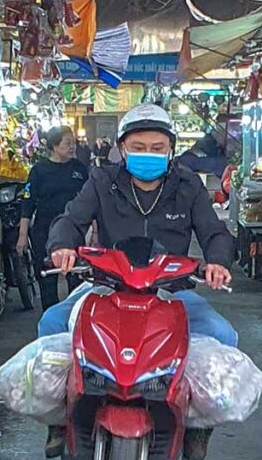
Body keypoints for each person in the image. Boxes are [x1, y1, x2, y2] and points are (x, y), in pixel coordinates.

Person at [41, 103, 236, 348]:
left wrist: (218, 261)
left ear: (170, 150)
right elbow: (70, 220)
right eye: (138, 148)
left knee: (222, 334)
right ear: (122, 149)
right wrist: (62, 246)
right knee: (52, 323)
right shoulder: (102, 181)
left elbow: (214, 231)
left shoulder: (188, 185)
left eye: (157, 148)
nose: (148, 154)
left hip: (171, 292)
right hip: (107, 288)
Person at [17, 126, 89, 311]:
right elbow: (28, 203)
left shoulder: (79, 169)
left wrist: (95, 230)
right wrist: (22, 235)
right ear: (54, 146)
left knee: (77, 278)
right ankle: (50, 323)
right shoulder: (39, 170)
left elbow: (92, 200)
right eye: (68, 143)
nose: (73, 147)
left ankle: (76, 319)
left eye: (74, 143)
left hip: (74, 231)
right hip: (44, 230)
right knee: (47, 277)